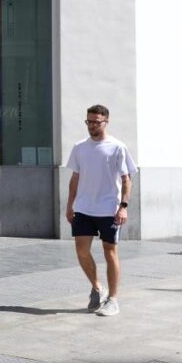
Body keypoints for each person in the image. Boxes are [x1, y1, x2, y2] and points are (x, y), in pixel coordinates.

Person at [65, 104, 136, 317]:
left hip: (109, 209)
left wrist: (123, 207)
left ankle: (113, 300)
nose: (92, 126)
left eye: (96, 122)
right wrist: (69, 205)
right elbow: (75, 178)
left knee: (109, 251)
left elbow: (127, 180)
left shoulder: (117, 147)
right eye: (89, 122)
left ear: (106, 122)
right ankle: (97, 287)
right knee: (81, 251)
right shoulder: (79, 147)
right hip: (84, 208)